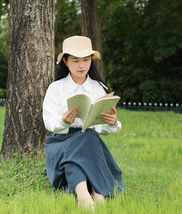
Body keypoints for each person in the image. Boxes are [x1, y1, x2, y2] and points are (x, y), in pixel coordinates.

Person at [43, 36, 125, 210]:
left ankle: (84, 197)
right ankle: (96, 193)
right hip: (60, 141)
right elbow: (49, 123)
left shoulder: (99, 88)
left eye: (86, 60)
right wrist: (63, 121)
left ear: (91, 60)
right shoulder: (56, 88)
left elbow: (101, 127)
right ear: (65, 61)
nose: (82, 65)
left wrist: (112, 122)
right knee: (83, 140)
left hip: (89, 140)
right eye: (76, 60)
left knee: (87, 136)